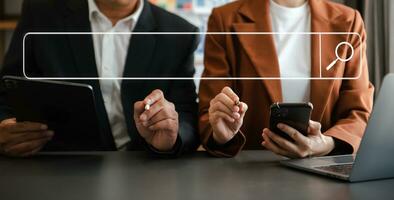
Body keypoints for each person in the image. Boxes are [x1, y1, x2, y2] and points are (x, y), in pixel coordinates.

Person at [0, 0, 200, 157]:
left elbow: (187, 117)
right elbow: (6, 92)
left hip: (144, 168)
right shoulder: (40, 14)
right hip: (57, 165)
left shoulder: (180, 34)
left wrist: (172, 137)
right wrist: (5, 127)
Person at [199, 0, 374, 157]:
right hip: (249, 171)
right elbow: (210, 112)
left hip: (323, 169)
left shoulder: (349, 20)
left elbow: (357, 112)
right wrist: (221, 135)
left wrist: (327, 143)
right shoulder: (224, 19)